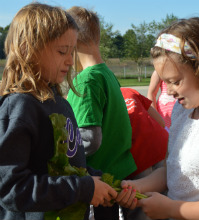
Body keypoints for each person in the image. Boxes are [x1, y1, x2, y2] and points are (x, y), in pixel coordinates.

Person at [116, 17, 199, 220]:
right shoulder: (182, 112)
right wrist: (135, 186)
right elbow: (173, 172)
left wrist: (172, 209)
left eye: (175, 82)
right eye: (165, 83)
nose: (168, 92)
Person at [0, 3, 117, 220]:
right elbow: (11, 189)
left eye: (72, 52)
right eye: (62, 51)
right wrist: (82, 189)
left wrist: (100, 183)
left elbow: (68, 167)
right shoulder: (20, 107)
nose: (70, 61)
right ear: (28, 49)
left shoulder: (59, 102)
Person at [66, 7, 137, 220]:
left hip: (97, 184)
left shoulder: (85, 81)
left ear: (73, 40)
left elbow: (89, 140)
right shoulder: (107, 73)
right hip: (116, 175)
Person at [120, 87, 168, 220]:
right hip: (161, 147)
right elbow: (161, 122)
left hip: (137, 159)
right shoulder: (128, 91)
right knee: (166, 205)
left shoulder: (101, 99)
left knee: (141, 209)